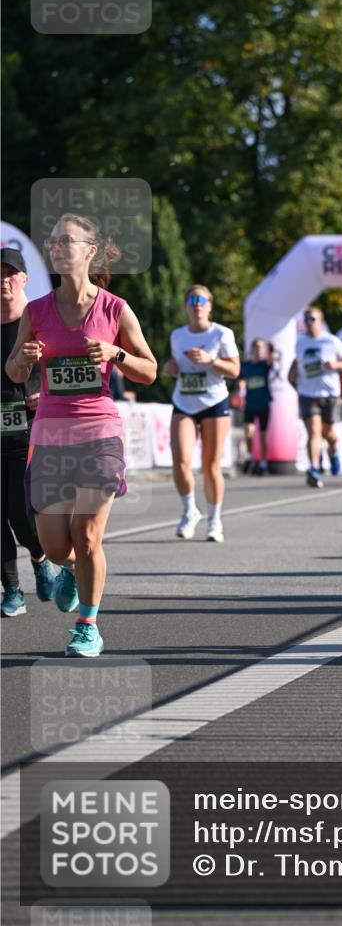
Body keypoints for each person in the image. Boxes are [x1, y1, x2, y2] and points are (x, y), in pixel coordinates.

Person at [5, 214, 157, 656]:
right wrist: (23, 360)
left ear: (90, 251)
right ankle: (69, 569)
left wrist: (115, 353)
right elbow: (13, 371)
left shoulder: (114, 309)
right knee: (55, 547)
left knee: (87, 535)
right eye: (52, 242)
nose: (56, 248)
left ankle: (87, 625)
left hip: (99, 433)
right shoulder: (36, 311)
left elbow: (148, 370)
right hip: (50, 435)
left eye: (65, 241)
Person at [1, 247, 59, 616]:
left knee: (21, 514)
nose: (3, 280)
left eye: (9, 273)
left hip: (30, 431)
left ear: (24, 278)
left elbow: (65, 364)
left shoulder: (40, 319)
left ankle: (39, 557)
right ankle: (12, 591)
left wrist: (47, 393)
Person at [163, 285, 240, 541]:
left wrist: (211, 360)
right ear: (186, 306)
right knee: (181, 462)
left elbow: (235, 370)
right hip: (184, 401)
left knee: (211, 466)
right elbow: (177, 367)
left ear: (210, 306)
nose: (197, 304)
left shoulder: (222, 333)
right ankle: (189, 511)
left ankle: (215, 520)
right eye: (192, 300)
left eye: (202, 300)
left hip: (214, 401)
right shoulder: (177, 335)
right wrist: (171, 368)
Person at [288, 306, 342, 488]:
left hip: (329, 394)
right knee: (314, 431)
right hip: (308, 393)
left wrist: (335, 365)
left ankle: (333, 450)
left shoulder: (331, 341)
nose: (308, 323)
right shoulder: (300, 342)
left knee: (328, 433)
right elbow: (297, 363)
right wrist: (292, 376)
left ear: (321, 322)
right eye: (306, 320)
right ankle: (314, 468)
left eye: (312, 319)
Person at [239, 338, 273, 476]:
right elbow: (241, 379)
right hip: (250, 404)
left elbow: (271, 361)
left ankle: (263, 463)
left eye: (261, 347)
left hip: (264, 404)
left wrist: (270, 348)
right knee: (248, 431)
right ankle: (249, 457)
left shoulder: (265, 365)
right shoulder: (246, 365)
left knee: (263, 435)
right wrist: (241, 392)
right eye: (257, 347)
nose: (259, 349)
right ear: (252, 349)